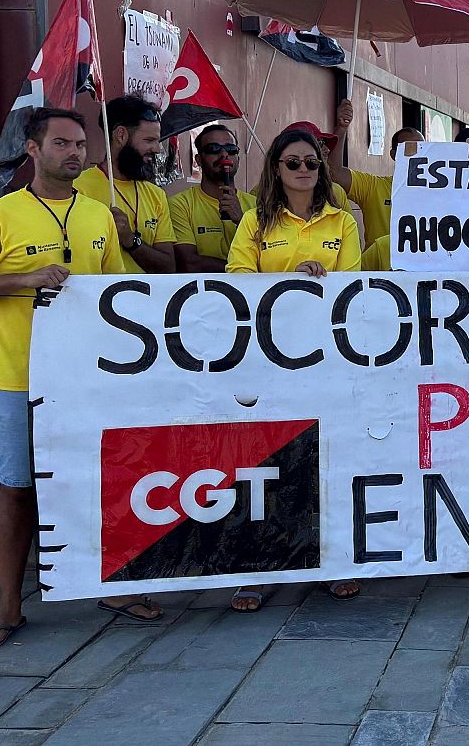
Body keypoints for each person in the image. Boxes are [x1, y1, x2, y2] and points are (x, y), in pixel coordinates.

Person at [0, 108, 164, 650]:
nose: (74, 152)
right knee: (17, 487)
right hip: (17, 376)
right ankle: (8, 607)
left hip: (89, 377)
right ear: (33, 150)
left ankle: (111, 587)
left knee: (101, 481)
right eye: (62, 143)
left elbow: (121, 291)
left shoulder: (98, 215)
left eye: (80, 144)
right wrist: (28, 279)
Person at [226, 124, 363, 605]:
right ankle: (259, 568)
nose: (304, 170)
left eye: (312, 163)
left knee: (326, 461)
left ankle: (331, 561)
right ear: (276, 169)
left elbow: (352, 283)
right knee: (268, 462)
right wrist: (289, 278)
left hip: (326, 358)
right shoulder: (254, 223)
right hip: (270, 358)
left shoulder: (341, 221)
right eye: (293, 163)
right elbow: (237, 279)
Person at [79, 94, 177, 273]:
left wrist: (130, 240)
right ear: (121, 135)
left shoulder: (156, 194)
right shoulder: (79, 188)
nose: (157, 149)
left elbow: (168, 267)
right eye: (149, 140)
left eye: (158, 141)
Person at [325, 98, 424, 249]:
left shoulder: (441, 192)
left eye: (422, 148)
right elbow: (335, 174)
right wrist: (341, 128)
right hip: (378, 270)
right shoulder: (374, 187)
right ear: (393, 154)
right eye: (408, 148)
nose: (415, 153)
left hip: (425, 272)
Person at [170, 125, 256, 273]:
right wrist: (239, 269)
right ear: (199, 160)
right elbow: (189, 263)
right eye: (214, 149)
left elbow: (266, 258)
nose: (224, 155)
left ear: (238, 158)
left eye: (231, 149)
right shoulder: (180, 204)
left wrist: (242, 222)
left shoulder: (256, 204)